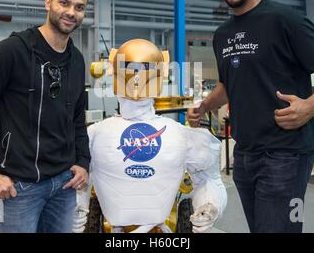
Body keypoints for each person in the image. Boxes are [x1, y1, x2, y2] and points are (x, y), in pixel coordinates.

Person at [187, 0, 314, 233]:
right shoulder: (222, 34)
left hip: (285, 151)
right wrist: (204, 106)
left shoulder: (284, 19)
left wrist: (311, 106)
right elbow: (229, 84)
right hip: (245, 151)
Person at [0, 0, 91, 233]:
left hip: (64, 184)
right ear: (48, 3)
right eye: (64, 3)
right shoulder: (13, 50)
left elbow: (77, 117)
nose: (71, 12)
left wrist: (83, 161)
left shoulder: (76, 60)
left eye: (79, 7)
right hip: (18, 187)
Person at [72, 39, 227, 233]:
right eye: (129, 67)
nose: (136, 77)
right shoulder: (93, 135)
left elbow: (208, 180)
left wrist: (209, 206)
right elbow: (80, 180)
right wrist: (76, 207)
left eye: (144, 68)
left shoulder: (183, 136)